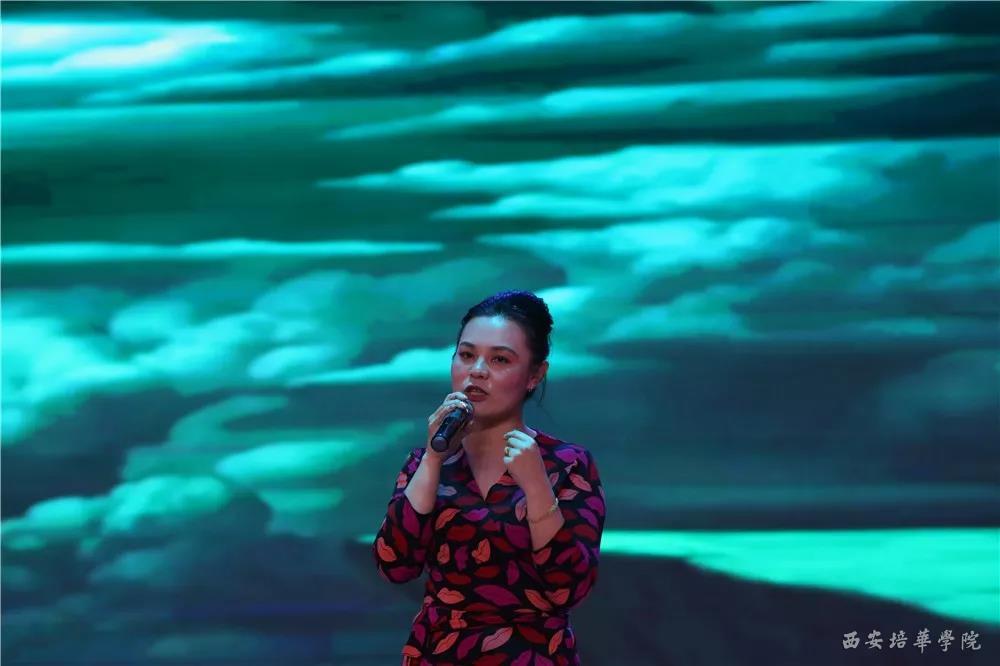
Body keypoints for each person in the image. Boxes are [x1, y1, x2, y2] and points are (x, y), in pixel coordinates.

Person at [372, 290, 606, 665]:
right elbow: (395, 565)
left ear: (534, 375)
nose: (477, 371)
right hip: (439, 653)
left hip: (533, 656)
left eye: (499, 359)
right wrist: (433, 459)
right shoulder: (425, 463)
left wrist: (536, 486)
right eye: (466, 355)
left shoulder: (567, 465)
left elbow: (569, 589)